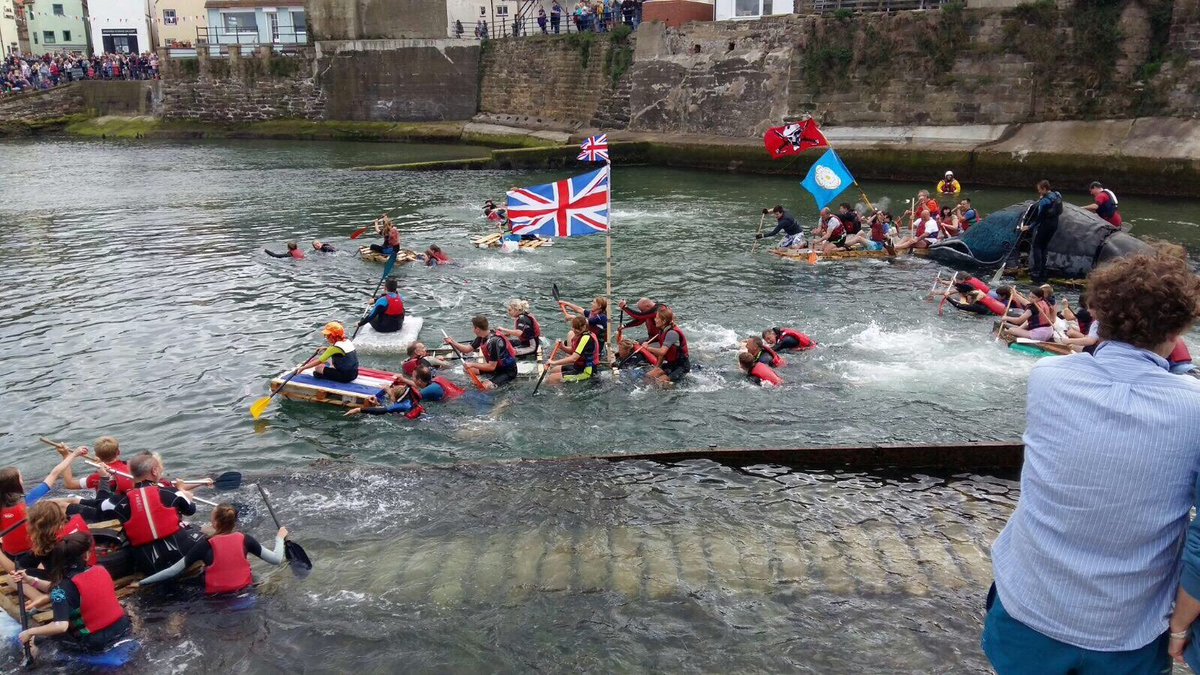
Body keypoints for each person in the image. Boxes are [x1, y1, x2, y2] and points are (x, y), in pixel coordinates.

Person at [983, 253, 1200, 674]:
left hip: (1027, 606)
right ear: (1179, 330)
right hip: (1128, 629)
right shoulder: (1195, 408)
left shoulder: (1049, 379)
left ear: (1098, 315)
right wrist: (1181, 624)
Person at [13, 534, 131, 654]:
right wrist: (30, 580)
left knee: (34, 640)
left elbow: (60, 626)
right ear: (86, 556)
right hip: (123, 627)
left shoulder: (63, 587)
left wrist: (30, 632)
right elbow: (66, 592)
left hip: (96, 642)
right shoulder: (100, 570)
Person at [136, 503, 286, 594]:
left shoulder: (205, 544)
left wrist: (141, 583)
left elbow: (173, 571)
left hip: (216, 599)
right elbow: (276, 559)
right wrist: (279, 538)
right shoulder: (246, 539)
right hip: (245, 591)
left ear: (214, 524)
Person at [100, 452, 204, 575]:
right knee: (197, 528)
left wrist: (104, 479)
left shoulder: (115, 502)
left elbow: (99, 507)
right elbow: (191, 510)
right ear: (154, 471)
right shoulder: (174, 492)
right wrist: (183, 491)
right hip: (182, 555)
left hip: (148, 565)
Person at [0, 448, 88, 572]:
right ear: (15, 484)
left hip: (10, 555)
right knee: (55, 511)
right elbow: (54, 473)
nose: (23, 480)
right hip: (31, 555)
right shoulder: (28, 501)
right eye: (20, 478)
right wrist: (73, 454)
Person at [444, 316, 519, 390]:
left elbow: (491, 367)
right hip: (495, 369)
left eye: (473, 328)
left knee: (485, 388)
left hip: (506, 371)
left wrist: (472, 364)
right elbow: (467, 349)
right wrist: (452, 342)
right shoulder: (482, 336)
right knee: (467, 369)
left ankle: (489, 383)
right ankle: (481, 380)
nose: (473, 330)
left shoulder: (493, 342)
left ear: (477, 329)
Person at [1023, 179, 1063, 284]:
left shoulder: (1044, 201)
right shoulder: (1057, 195)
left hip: (1045, 225)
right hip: (1054, 224)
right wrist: (1042, 197)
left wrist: (1029, 227)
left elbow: (1039, 218)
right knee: (1044, 246)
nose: (1039, 192)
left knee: (1037, 246)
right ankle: (1043, 270)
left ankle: (1036, 271)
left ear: (1045, 189)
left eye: (1040, 190)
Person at [294, 322, 360, 383]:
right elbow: (339, 350)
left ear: (333, 336)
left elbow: (319, 361)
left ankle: (326, 377)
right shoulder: (347, 341)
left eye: (327, 336)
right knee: (332, 359)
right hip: (354, 374)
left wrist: (303, 368)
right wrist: (325, 348)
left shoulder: (333, 348)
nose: (326, 338)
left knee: (318, 368)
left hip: (345, 377)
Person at [545, 316, 601, 384]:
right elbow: (573, 351)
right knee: (552, 370)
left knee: (552, 378)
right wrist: (562, 347)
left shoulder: (586, 338)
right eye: (574, 328)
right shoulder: (579, 335)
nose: (575, 330)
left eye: (578, 328)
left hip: (586, 372)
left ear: (584, 327)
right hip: (578, 367)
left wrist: (554, 362)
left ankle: (561, 393)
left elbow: (573, 358)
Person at [643, 307, 690, 386]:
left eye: (657, 318)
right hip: (671, 364)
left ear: (664, 321)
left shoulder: (671, 333)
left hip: (681, 366)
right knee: (649, 376)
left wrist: (647, 348)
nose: (654, 319)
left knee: (661, 382)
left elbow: (662, 351)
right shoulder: (662, 331)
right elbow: (662, 355)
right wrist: (657, 368)